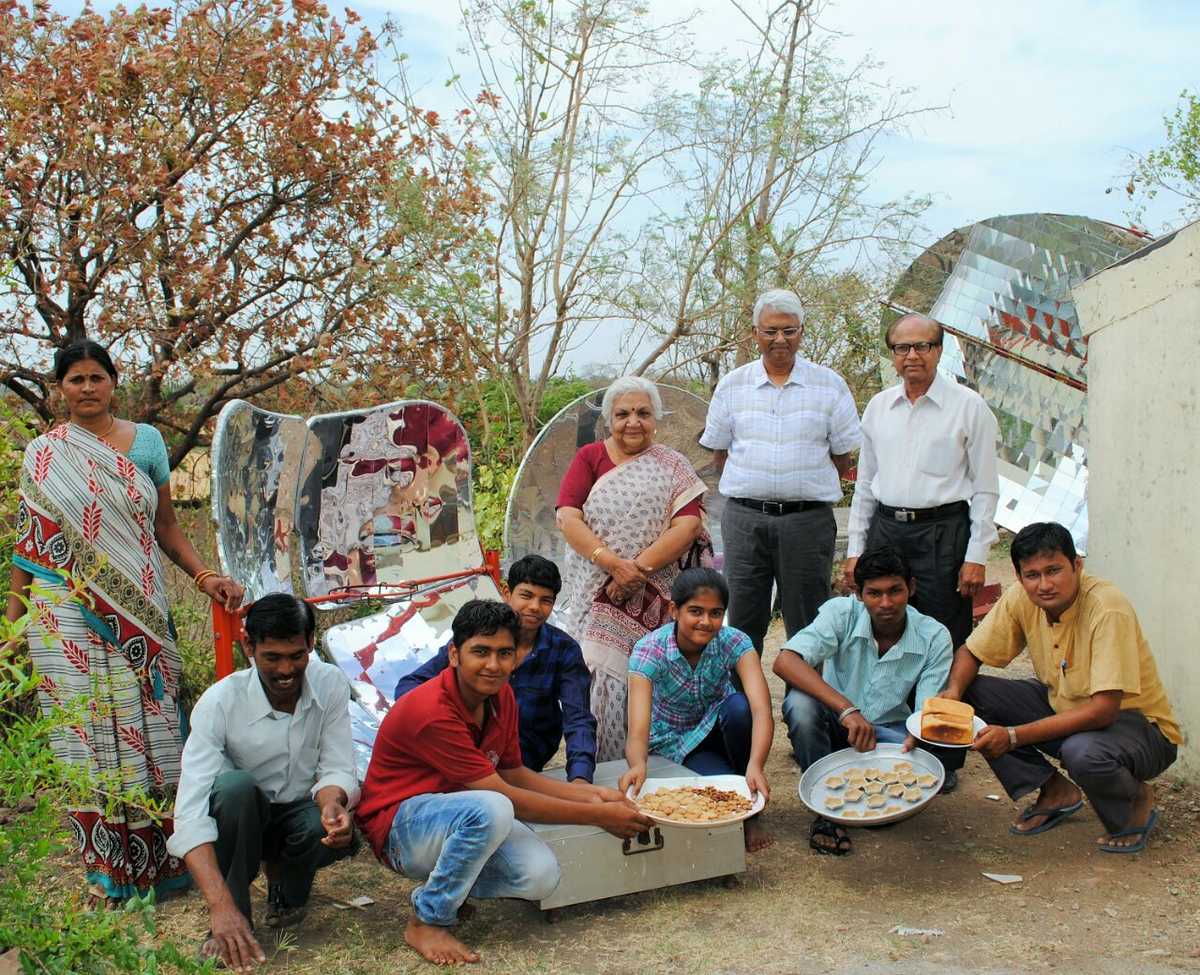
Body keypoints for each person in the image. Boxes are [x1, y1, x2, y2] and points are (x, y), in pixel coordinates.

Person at [4, 339, 243, 904]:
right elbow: (28, 546)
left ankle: (166, 861)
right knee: (84, 736)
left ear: (114, 382)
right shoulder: (43, 453)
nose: (87, 389)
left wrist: (203, 574)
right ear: (59, 389)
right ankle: (107, 870)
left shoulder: (148, 443)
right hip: (62, 613)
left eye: (96, 378)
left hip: (141, 613)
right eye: (75, 380)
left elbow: (165, 526)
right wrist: (12, 628)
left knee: (152, 729)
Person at [356, 600, 653, 966]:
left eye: (504, 653)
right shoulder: (432, 709)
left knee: (540, 876)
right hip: (400, 828)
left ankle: (446, 887)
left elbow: (515, 773)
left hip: (458, 814)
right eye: (480, 652)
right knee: (493, 807)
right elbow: (505, 795)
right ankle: (427, 919)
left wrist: (595, 794)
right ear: (454, 654)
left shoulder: (501, 696)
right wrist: (598, 815)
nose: (493, 665)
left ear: (516, 657)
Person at [941, 522, 1181, 854]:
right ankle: (1055, 791)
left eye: (1054, 570)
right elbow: (971, 652)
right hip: (1065, 708)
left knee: (1083, 753)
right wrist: (952, 695)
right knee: (969, 692)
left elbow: (1103, 711)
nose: (1045, 584)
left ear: (1077, 566)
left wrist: (1012, 736)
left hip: (1139, 730)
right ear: (1019, 575)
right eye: (1032, 575)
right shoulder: (1021, 599)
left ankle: (1135, 801)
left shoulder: (1107, 608)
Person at [169, 594, 360, 970]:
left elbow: (337, 765)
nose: (287, 670)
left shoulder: (330, 683)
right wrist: (219, 907)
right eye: (272, 657)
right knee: (234, 789)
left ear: (310, 645)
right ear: (248, 647)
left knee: (326, 826)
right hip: (241, 819)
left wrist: (333, 804)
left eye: (297, 655)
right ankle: (232, 921)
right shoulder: (219, 704)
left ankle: (285, 888)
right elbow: (190, 816)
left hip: (299, 812)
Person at [556, 375, 708, 762]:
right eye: (623, 414)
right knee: (596, 677)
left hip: (655, 593)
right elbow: (568, 518)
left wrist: (635, 570)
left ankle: (655, 765)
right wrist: (611, 563)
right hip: (596, 589)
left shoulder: (672, 465)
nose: (633, 422)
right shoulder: (589, 457)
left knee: (650, 675)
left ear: (656, 418)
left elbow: (688, 525)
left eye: (643, 413)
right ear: (610, 419)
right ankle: (603, 769)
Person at [699, 288, 861, 652]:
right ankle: (742, 704)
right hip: (744, 520)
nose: (780, 339)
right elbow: (720, 454)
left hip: (807, 523)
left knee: (807, 618)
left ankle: (805, 706)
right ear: (755, 333)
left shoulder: (830, 385)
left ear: (801, 332)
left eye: (789, 330)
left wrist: (799, 484)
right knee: (743, 616)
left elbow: (842, 457)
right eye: (770, 331)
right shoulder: (732, 386)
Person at [773, 546, 962, 855]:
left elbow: (923, 714)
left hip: (887, 734)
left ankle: (836, 764)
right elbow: (785, 661)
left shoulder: (934, 636)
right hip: (836, 719)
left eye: (895, 591)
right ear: (858, 593)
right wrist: (846, 709)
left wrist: (916, 744)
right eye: (874, 593)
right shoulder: (840, 613)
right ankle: (824, 813)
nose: (886, 603)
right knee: (800, 705)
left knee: (901, 789)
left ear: (911, 588)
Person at [844, 313, 999, 648]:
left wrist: (977, 555)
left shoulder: (969, 407)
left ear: (939, 351)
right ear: (893, 355)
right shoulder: (879, 407)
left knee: (943, 631)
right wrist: (856, 549)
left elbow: (986, 488)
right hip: (886, 530)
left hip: (943, 534)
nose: (912, 355)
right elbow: (866, 486)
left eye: (922, 346)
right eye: (902, 348)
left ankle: (941, 701)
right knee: (883, 629)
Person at [394, 554, 597, 783]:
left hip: (524, 761)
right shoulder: (478, 635)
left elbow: (578, 718)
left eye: (546, 600)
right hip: (465, 754)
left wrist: (581, 778)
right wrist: (446, 724)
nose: (534, 607)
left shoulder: (564, 650)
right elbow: (409, 687)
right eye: (526, 595)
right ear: (507, 593)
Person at [619, 568, 775, 852]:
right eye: (695, 611)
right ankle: (742, 794)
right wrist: (639, 764)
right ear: (674, 610)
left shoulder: (734, 641)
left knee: (739, 707)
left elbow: (761, 709)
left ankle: (754, 814)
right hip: (678, 743)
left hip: (721, 724)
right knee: (719, 793)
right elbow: (638, 731)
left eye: (716, 613)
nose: (706, 622)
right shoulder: (648, 651)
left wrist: (756, 764)